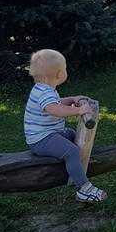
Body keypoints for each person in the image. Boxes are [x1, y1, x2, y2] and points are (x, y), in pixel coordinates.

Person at [24, 49, 106, 203]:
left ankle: (78, 165)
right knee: (71, 151)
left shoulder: (44, 89)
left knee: (71, 134)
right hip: (41, 140)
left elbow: (56, 103)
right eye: (65, 68)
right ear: (58, 74)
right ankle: (83, 189)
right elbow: (54, 109)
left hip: (49, 133)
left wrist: (72, 99)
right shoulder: (45, 93)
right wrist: (79, 110)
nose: (67, 71)